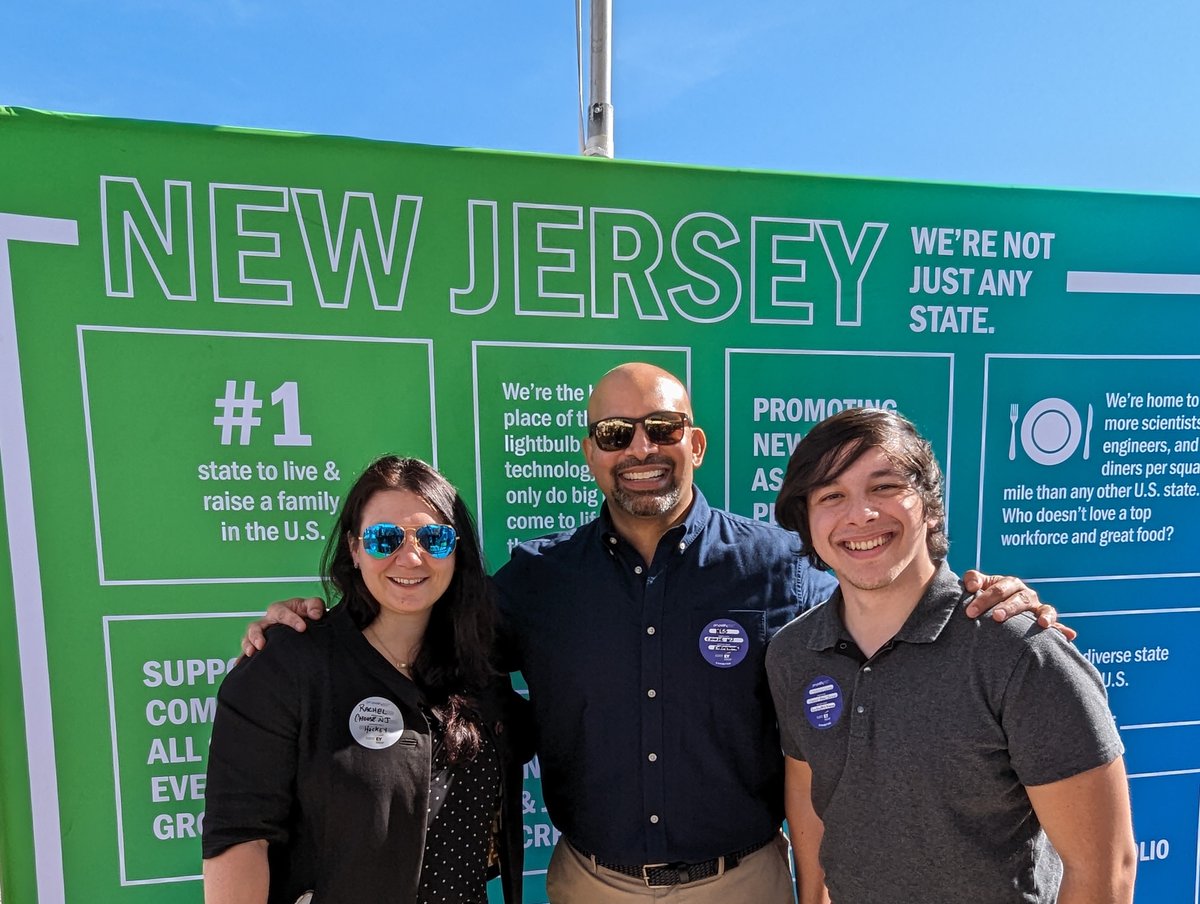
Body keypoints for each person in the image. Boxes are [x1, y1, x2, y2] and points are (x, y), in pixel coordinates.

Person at [245, 364, 1064, 903]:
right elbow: (418, 645)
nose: (640, 448)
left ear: (694, 443)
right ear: (591, 455)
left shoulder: (779, 565)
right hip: (589, 883)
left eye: (662, 430)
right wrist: (317, 627)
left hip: (741, 882)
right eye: (615, 435)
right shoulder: (538, 582)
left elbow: (885, 592)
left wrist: (980, 595)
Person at [766, 408, 1136, 904]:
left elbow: (1106, 868)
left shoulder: (1020, 651)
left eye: (884, 487)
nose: (861, 515)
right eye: (832, 496)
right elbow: (811, 794)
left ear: (931, 507)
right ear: (806, 523)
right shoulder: (794, 653)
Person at [203, 456, 532, 904]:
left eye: (433, 538)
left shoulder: (477, 670)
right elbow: (240, 838)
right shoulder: (287, 668)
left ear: (455, 552)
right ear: (354, 549)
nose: (411, 556)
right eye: (384, 539)